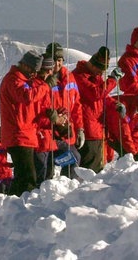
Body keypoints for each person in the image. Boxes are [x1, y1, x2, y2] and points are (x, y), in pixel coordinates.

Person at [0, 50, 51, 196]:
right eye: (34, 71)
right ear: (26, 66)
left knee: (23, 175)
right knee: (28, 177)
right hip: (18, 135)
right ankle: (22, 207)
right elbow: (27, 96)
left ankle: (12, 205)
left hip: (25, 134)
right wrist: (45, 86)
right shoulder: (13, 80)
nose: (35, 74)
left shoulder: (21, 81)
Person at [71, 46, 121, 173]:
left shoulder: (94, 76)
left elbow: (103, 97)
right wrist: (112, 80)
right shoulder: (79, 76)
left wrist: (115, 104)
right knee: (90, 170)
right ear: (93, 65)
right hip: (88, 130)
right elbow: (96, 93)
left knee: (98, 166)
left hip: (98, 129)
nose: (101, 73)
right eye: (100, 70)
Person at [43, 42, 83, 179]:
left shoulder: (69, 77)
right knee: (47, 170)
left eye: (59, 60)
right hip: (48, 134)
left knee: (74, 159)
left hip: (66, 133)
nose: (56, 64)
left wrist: (80, 129)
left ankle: (67, 188)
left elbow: (76, 105)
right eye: (53, 60)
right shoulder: (43, 79)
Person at [33, 56, 63, 185]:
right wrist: (53, 118)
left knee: (48, 172)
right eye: (48, 70)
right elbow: (37, 112)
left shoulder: (47, 86)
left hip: (49, 136)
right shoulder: (37, 86)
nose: (50, 72)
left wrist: (62, 113)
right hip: (40, 136)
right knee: (41, 173)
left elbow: (53, 107)